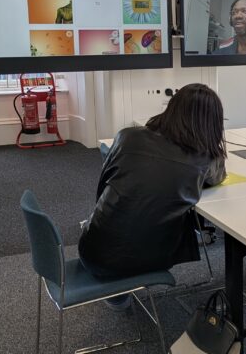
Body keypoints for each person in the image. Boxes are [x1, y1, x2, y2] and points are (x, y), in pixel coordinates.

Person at [78, 83, 227, 306]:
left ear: (172, 108)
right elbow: (217, 177)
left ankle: (118, 290)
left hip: (93, 249)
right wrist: (213, 149)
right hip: (152, 259)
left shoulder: (127, 137)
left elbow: (103, 186)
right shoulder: (203, 159)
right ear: (212, 123)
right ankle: (124, 280)